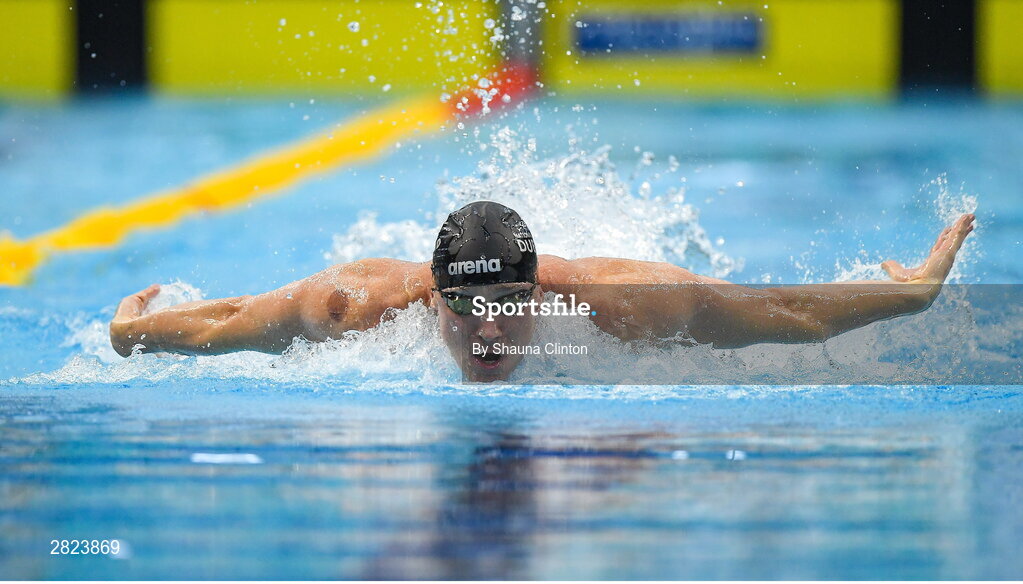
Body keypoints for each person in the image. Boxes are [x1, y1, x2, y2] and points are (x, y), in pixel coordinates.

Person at [110, 201, 975, 381]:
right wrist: (131, 333)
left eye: (507, 305)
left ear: (537, 287)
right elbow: (227, 322)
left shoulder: (625, 304)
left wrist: (910, 296)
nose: (486, 330)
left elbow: (776, 309)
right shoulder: (357, 307)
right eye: (465, 308)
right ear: (432, 297)